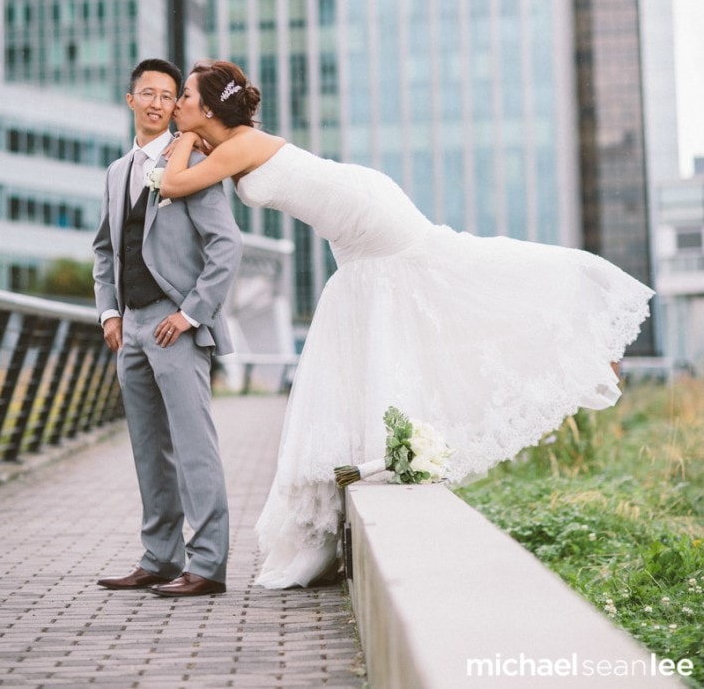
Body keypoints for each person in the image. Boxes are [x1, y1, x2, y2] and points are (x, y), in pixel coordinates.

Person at [161, 59, 654, 590]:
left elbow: (171, 185)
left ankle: (576, 320)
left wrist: (182, 140)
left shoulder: (236, 144)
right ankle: (358, 485)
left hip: (373, 220)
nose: (176, 105)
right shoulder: (230, 146)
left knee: (450, 277)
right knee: (378, 310)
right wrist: (194, 138)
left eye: (183, 97)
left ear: (208, 108)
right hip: (351, 236)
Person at [93, 58, 242, 598]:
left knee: (193, 445)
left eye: (169, 95)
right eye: (148, 93)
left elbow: (227, 245)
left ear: (177, 105)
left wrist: (192, 312)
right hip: (130, 327)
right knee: (148, 447)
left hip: (174, 326)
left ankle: (207, 565)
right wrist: (109, 312)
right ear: (130, 99)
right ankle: (159, 557)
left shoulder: (193, 163)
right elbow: (104, 253)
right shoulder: (116, 173)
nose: (158, 102)